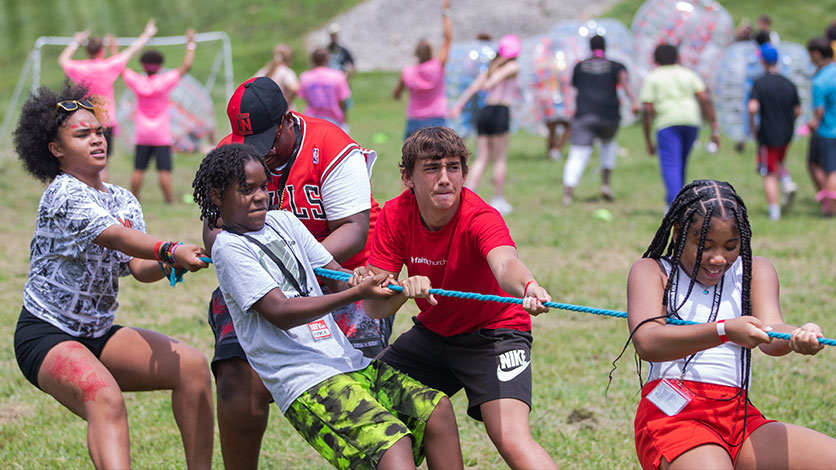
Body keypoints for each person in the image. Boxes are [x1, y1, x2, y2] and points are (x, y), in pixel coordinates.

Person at [192, 143, 463, 470]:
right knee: (392, 444)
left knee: (437, 411)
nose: (261, 196)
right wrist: (353, 293)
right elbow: (279, 312)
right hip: (304, 379)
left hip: (344, 359)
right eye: (247, 190)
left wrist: (373, 282)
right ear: (218, 195)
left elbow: (336, 277)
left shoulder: (283, 222)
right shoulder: (229, 248)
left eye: (264, 186)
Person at [12, 83, 213, 469]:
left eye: (99, 131)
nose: (96, 140)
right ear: (55, 149)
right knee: (104, 397)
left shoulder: (122, 199)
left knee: (192, 368)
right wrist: (170, 249)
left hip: (98, 333)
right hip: (47, 333)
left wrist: (175, 262)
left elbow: (138, 267)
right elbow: (115, 236)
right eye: (82, 134)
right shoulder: (62, 193)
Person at [205, 76, 390, 469]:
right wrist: (265, 267)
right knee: (235, 368)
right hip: (261, 277)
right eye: (249, 145)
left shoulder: (331, 146)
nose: (262, 156)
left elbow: (355, 231)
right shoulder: (231, 153)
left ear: (287, 120)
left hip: (342, 277)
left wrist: (294, 265)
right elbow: (212, 229)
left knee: (359, 374)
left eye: (266, 143)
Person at [364, 127, 558, 470]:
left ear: (465, 174)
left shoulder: (480, 215)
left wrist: (527, 285)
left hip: (494, 334)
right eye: (431, 168)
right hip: (433, 334)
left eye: (453, 167)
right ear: (407, 176)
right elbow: (374, 306)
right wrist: (403, 289)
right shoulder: (395, 215)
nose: (444, 179)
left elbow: (504, 263)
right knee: (363, 401)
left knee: (511, 438)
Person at [626, 179, 836, 470]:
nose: (717, 258)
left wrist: (797, 336)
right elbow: (647, 342)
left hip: (738, 415)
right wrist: (724, 330)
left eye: (731, 246)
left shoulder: (755, 271)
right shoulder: (653, 271)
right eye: (705, 246)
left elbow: (773, 330)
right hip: (674, 416)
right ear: (678, 232)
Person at [58, 19, 158, 180]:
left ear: (87, 51)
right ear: (101, 51)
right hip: (105, 121)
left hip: (84, 120)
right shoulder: (108, 66)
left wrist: (76, 41)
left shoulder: (79, 67)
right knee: (101, 161)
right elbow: (132, 51)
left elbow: (62, 60)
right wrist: (147, 34)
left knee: (84, 160)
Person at [562, 34, 638, 206]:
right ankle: (605, 184)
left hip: (585, 114)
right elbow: (625, 84)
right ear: (605, 46)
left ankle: (568, 192)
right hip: (609, 116)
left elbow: (573, 86)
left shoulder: (579, 66)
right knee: (608, 145)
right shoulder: (617, 66)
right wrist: (634, 101)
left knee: (578, 154)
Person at [640, 44, 720, 208]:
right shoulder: (688, 74)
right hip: (691, 120)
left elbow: (647, 109)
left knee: (671, 165)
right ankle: (679, 201)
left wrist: (647, 138)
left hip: (667, 122)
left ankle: (674, 207)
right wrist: (714, 127)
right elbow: (704, 98)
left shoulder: (653, 77)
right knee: (681, 163)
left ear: (655, 59)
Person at [123, 29, 196, 204]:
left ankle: (134, 198)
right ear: (160, 66)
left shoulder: (138, 81)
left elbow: (120, 68)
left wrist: (113, 49)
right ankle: (169, 201)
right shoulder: (164, 81)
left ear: (143, 65)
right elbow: (186, 66)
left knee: (138, 169)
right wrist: (191, 43)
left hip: (142, 133)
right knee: (164, 171)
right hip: (161, 134)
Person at [451, 34, 522, 215]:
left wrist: (459, 104)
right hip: (499, 111)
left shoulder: (490, 66)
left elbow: (474, 87)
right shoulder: (512, 66)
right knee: (499, 158)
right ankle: (497, 199)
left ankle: (467, 193)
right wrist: (492, 81)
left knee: (482, 158)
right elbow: (490, 83)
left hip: (486, 112)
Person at [748, 44, 801, 221]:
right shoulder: (789, 83)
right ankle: (786, 181)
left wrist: (752, 126)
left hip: (768, 134)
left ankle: (774, 212)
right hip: (786, 133)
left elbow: (752, 107)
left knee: (768, 172)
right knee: (778, 162)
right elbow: (798, 110)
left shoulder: (760, 83)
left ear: (762, 61)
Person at [393, 0, 452, 140]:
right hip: (437, 118)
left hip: (415, 119)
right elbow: (447, 39)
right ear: (431, 52)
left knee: (412, 159)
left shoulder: (407, 72)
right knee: (439, 157)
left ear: (416, 54)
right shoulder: (437, 66)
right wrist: (445, 12)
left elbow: (396, 94)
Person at [807, 37, 836, 216]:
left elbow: (819, 112)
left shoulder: (819, 82)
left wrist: (811, 124)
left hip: (827, 131)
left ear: (816, 54)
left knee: (828, 169)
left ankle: (831, 208)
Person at [298, 48, 352, 132]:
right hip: (334, 120)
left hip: (312, 120)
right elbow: (342, 101)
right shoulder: (338, 76)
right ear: (327, 59)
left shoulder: (305, 77)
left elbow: (306, 98)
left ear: (312, 60)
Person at [255, 43, 300, 108]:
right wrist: (288, 101)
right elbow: (294, 88)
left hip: (267, 109)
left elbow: (251, 84)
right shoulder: (286, 72)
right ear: (290, 59)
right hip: (283, 111)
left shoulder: (266, 69)